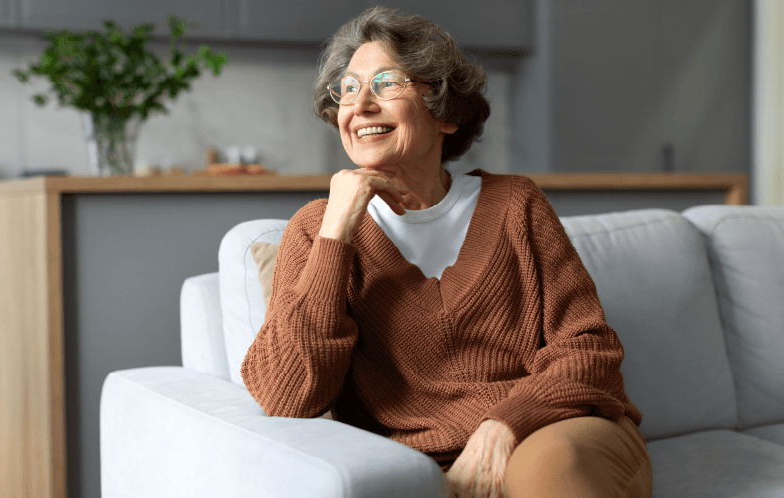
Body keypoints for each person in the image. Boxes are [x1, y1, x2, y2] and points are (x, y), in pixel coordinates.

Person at [241, 6, 652, 497]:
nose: (361, 105)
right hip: (422, 462)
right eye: (348, 89)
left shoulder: (516, 204)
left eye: (386, 83)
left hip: (552, 431)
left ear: (446, 115)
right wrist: (335, 234)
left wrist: (505, 424)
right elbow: (287, 397)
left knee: (545, 472)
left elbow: (589, 348)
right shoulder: (316, 231)